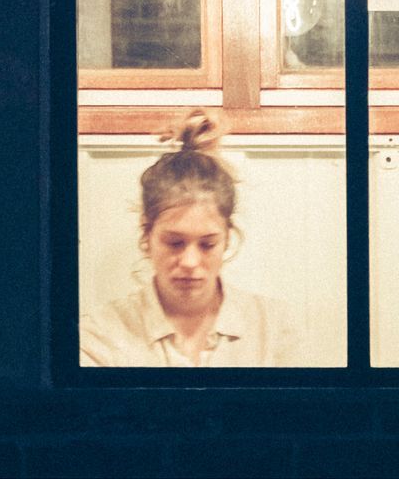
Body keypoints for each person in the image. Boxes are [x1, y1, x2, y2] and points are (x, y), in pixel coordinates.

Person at [80, 109, 301, 367]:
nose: (190, 262)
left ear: (228, 239)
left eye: (208, 244)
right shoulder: (99, 335)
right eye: (174, 242)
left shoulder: (273, 328)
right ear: (147, 234)